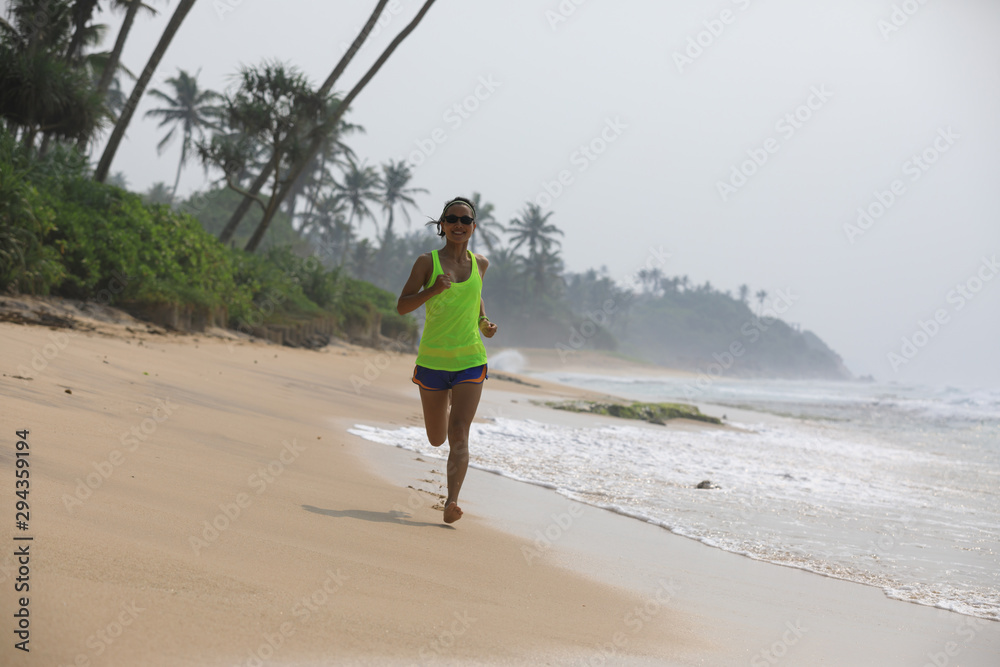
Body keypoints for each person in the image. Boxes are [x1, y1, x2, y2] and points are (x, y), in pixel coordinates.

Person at [396, 196, 498, 524]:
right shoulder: (427, 263)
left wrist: (484, 323)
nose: (458, 225)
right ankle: (443, 413)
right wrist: (432, 290)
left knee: (459, 431)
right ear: (442, 225)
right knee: (437, 437)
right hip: (433, 363)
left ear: (473, 227)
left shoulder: (480, 264)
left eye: (465, 220)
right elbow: (402, 306)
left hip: (470, 358)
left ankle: (451, 502)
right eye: (452, 219)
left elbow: (476, 297)